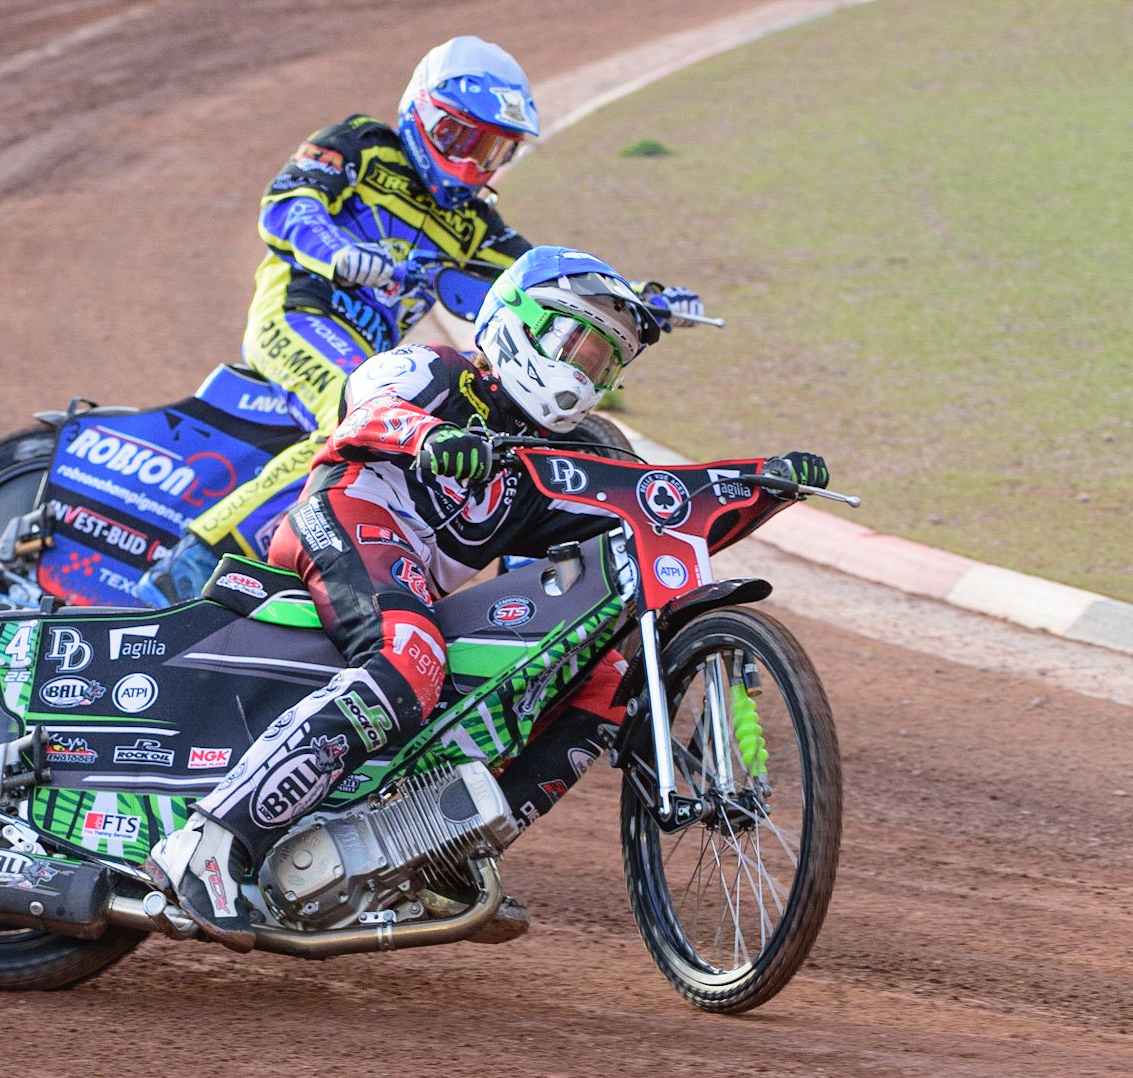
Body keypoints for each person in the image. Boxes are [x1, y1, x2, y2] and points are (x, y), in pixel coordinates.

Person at [145, 247, 828, 950]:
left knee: (602, 677)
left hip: (413, 580)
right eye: (575, 343)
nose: (582, 374)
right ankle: (210, 844)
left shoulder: (571, 454)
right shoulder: (438, 369)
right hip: (347, 512)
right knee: (410, 658)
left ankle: (446, 857)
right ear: (516, 323)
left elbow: (652, 511)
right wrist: (433, 435)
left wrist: (760, 488)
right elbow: (364, 407)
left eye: (602, 363)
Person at [135, 35, 704, 607]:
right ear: (421, 114)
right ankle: (185, 571)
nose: (470, 162)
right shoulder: (359, 145)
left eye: (491, 151)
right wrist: (336, 251)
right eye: (461, 137)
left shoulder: (476, 224)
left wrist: (636, 301)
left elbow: (550, 284)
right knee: (356, 419)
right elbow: (287, 206)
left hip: (373, 352)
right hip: (297, 315)